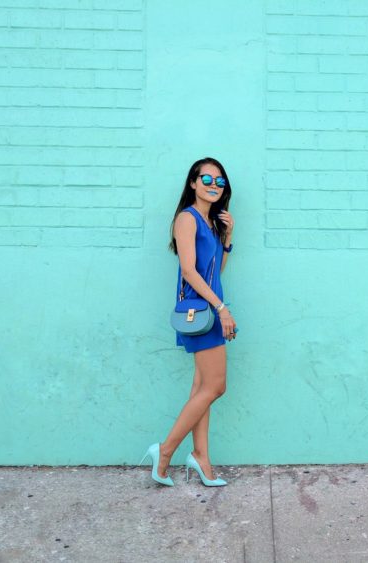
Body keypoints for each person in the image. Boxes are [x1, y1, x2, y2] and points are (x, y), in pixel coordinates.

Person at [139, 157, 237, 487]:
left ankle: (201, 457)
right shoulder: (187, 219)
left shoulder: (210, 224)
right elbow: (189, 271)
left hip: (209, 308)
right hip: (203, 313)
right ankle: (165, 451)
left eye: (219, 181)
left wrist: (228, 237)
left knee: (201, 389)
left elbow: (216, 271)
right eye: (206, 179)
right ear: (193, 183)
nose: (213, 185)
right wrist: (222, 308)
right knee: (214, 387)